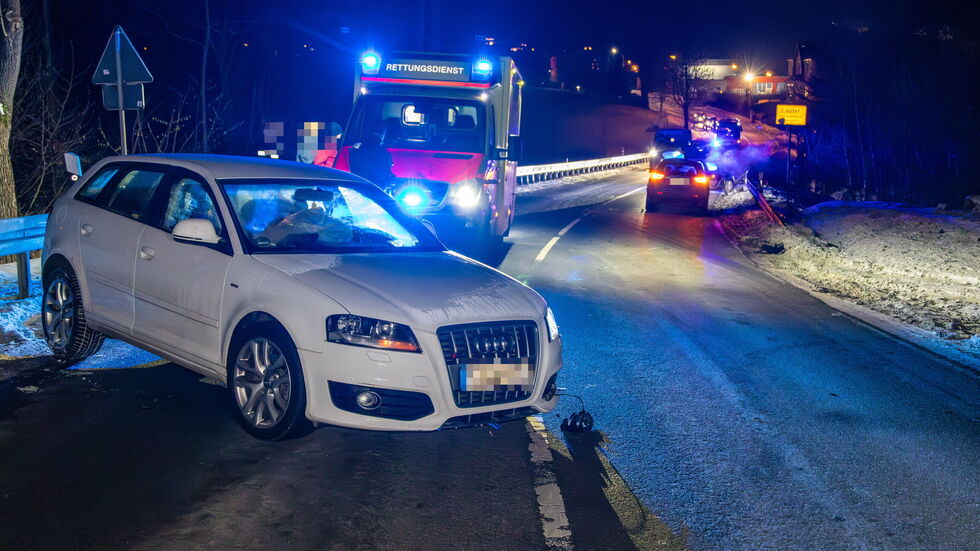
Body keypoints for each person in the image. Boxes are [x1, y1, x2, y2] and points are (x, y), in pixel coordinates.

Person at [349, 120, 397, 188]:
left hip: (358, 183)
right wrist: (391, 179)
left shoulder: (357, 147)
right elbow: (384, 171)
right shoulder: (380, 150)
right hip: (375, 185)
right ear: (383, 133)